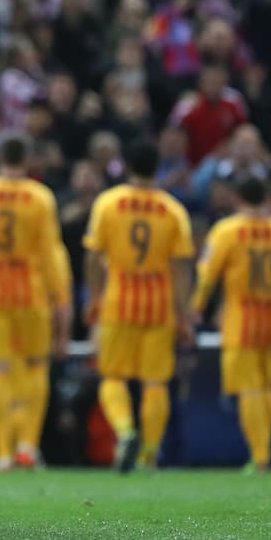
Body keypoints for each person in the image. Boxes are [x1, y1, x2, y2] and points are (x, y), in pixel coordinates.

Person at [0, 134, 72, 471]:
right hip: (30, 291)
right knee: (35, 365)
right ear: (28, 161)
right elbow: (52, 251)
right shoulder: (40, 197)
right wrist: (60, 295)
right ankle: (27, 446)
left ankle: (3, 453)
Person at [83, 140, 195, 472]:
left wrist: (94, 297)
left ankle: (124, 430)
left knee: (113, 376)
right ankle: (148, 453)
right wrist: (183, 313)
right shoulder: (172, 210)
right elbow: (181, 267)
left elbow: (92, 255)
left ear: (128, 165)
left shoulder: (109, 203)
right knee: (155, 382)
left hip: (119, 301)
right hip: (159, 304)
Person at [191, 177, 271, 473]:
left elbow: (207, 275)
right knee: (266, 387)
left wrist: (195, 307)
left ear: (238, 198)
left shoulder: (226, 231)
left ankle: (260, 456)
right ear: (267, 198)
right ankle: (263, 450)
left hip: (240, 317)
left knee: (249, 390)